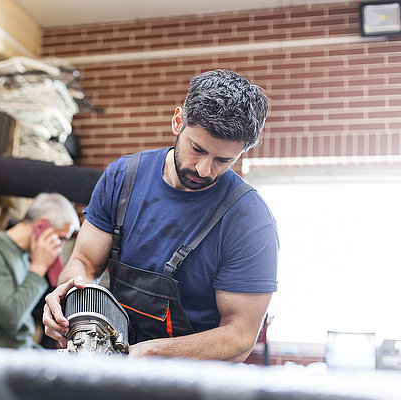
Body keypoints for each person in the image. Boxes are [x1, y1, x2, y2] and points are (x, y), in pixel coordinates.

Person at [43, 69, 278, 361]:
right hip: (115, 362)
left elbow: (239, 337)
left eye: (223, 160)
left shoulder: (250, 220)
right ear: (178, 121)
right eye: (197, 149)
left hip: (193, 380)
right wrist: (69, 300)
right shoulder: (122, 178)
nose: (204, 170)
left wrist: (152, 352)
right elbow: (84, 261)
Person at [0, 193, 80, 348]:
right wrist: (39, 267)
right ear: (42, 226)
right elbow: (11, 318)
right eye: (60, 238)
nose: (59, 248)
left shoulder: (24, 257)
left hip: (19, 350)